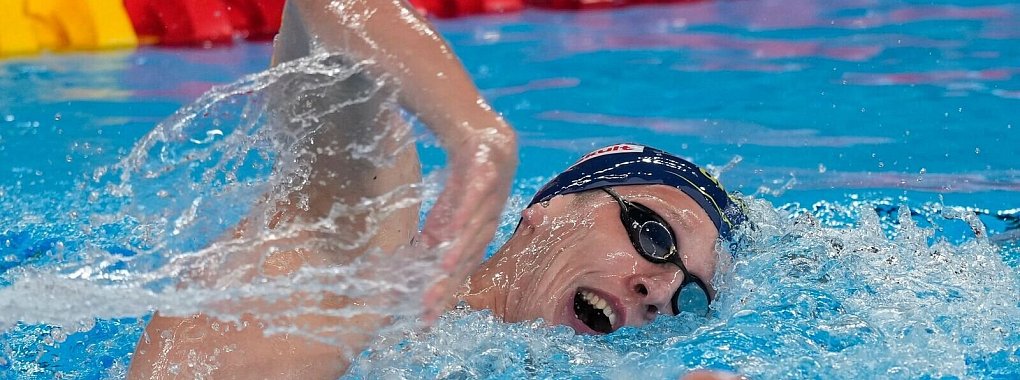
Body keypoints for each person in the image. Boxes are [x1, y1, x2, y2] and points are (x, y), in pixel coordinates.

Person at [128, 0, 743, 378]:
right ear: (552, 210)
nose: (661, 289)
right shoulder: (362, 251)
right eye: (654, 236)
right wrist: (477, 136)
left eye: (690, 297)